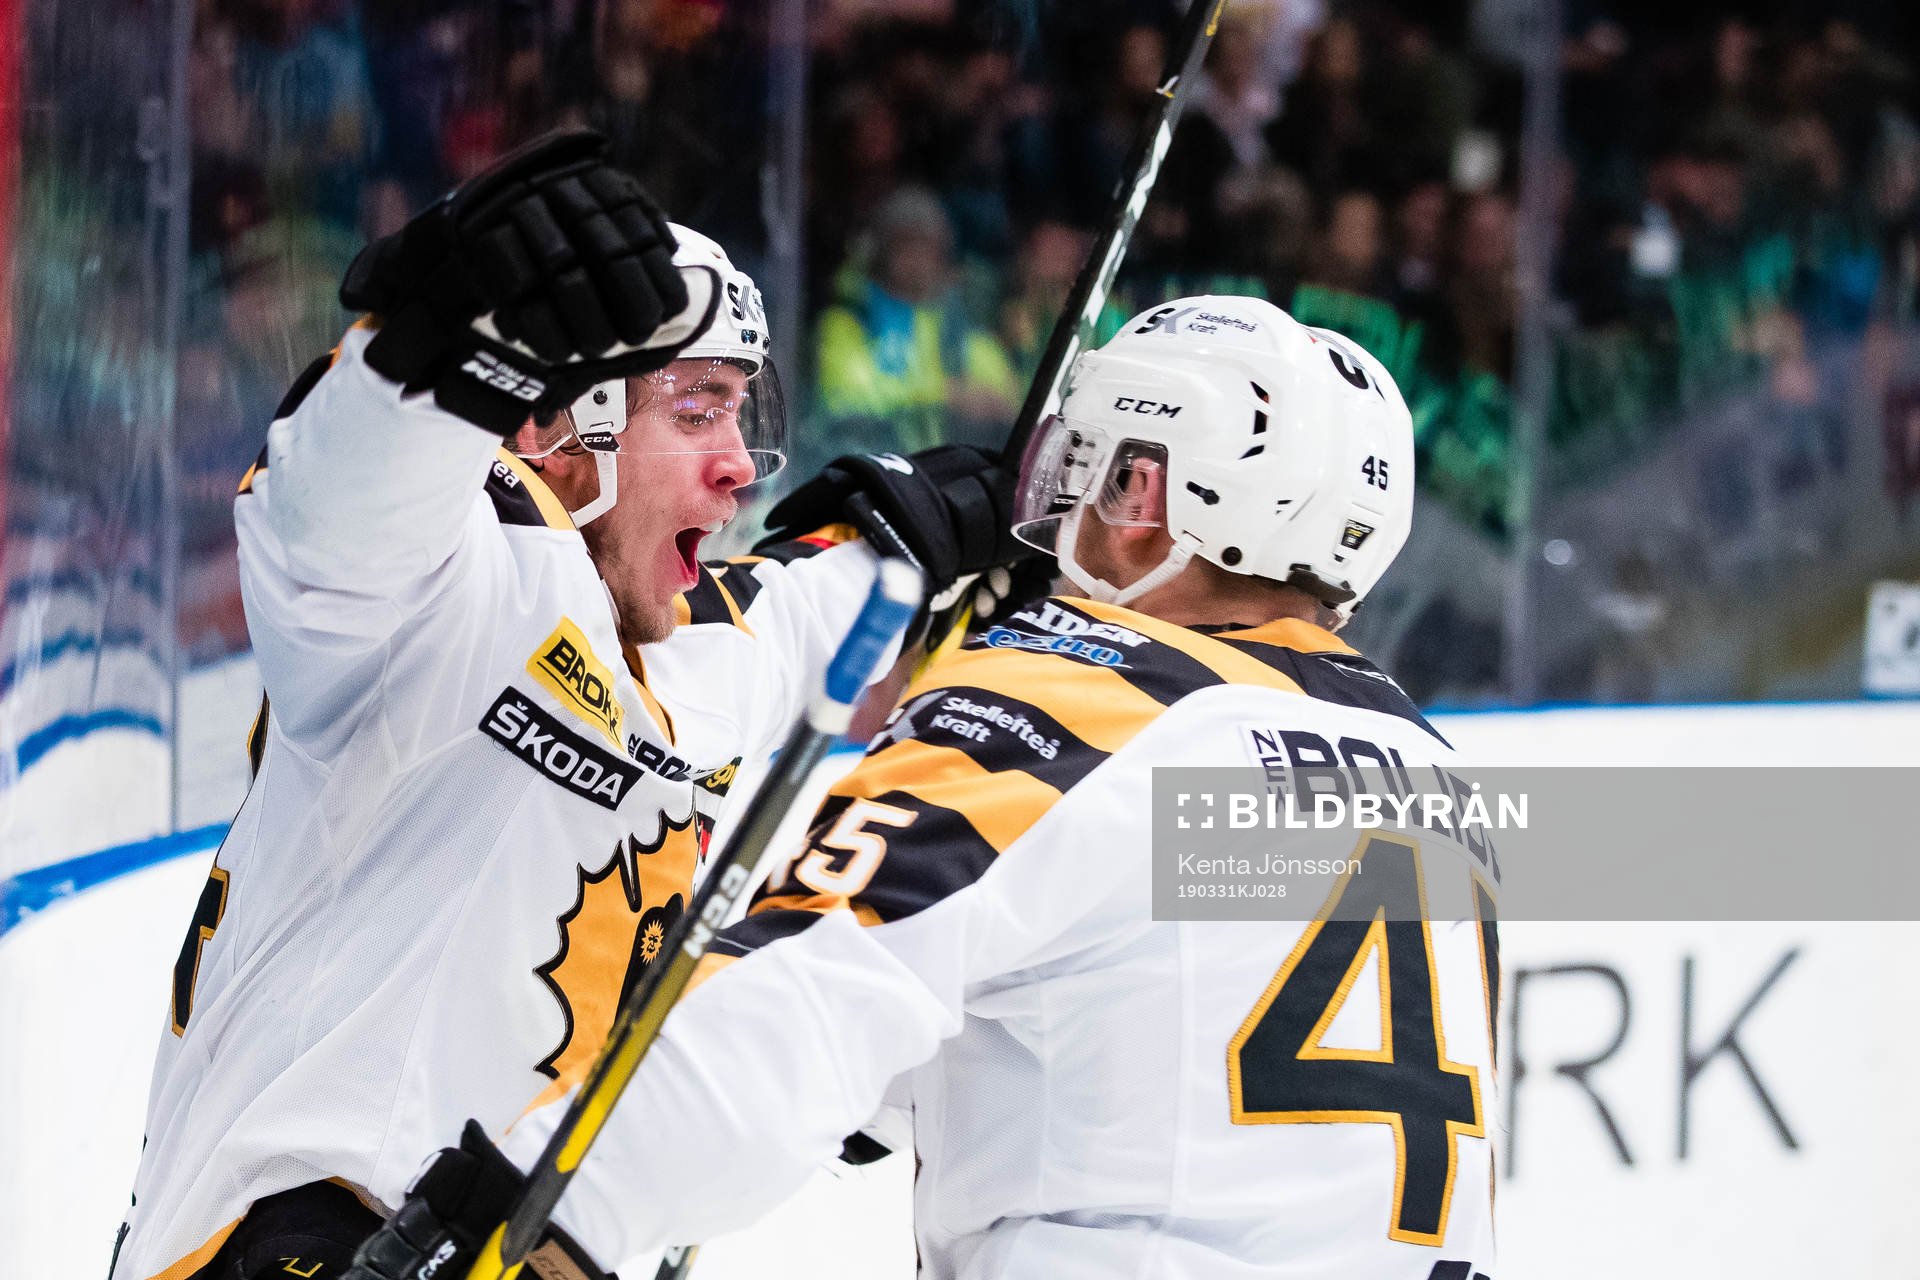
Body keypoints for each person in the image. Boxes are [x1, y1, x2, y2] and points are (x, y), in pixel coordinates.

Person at [346, 295, 1499, 1278]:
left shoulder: (1071, 701)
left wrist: (507, 1212)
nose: (1061, 515)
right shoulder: (1436, 776)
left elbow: (789, 1013)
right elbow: (1112, 1013)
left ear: (1147, 493)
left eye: (1091, 471)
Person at [112, 130, 1019, 1280]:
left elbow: (811, 600)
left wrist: (928, 535)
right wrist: (450, 339)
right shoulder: (442, 588)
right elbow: (334, 503)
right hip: (297, 1244)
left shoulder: (700, 650)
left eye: (744, 413)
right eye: (697, 409)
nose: (742, 464)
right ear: (558, 425)